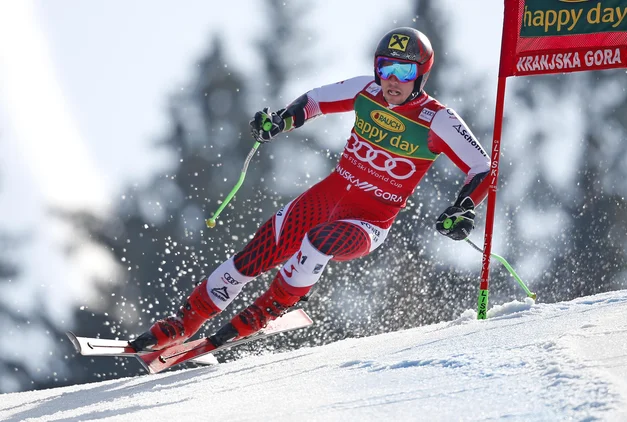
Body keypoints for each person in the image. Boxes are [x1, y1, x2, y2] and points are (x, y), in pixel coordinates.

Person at [130, 27, 491, 351]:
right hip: (324, 198)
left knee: (320, 242)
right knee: (252, 256)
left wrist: (463, 206)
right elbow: (315, 100)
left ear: (422, 75)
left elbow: (482, 168)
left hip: (368, 222)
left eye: (405, 71)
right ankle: (184, 323)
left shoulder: (437, 119)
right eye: (385, 67)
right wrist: (280, 122)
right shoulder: (366, 90)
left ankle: (266, 310)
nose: (392, 80)